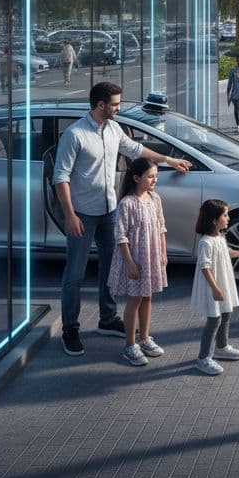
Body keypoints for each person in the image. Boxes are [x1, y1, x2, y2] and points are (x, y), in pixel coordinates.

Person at [52, 81, 192, 358]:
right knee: (75, 274)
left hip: (109, 210)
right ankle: (70, 329)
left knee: (111, 267)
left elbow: (136, 150)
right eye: (115, 104)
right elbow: (61, 177)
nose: (119, 107)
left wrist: (168, 160)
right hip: (82, 212)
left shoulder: (113, 129)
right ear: (101, 105)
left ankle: (107, 318)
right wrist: (69, 214)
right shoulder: (75, 134)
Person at [107, 158, 168, 367]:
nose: (154, 180)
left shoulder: (154, 199)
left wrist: (162, 251)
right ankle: (130, 344)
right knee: (135, 299)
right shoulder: (127, 203)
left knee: (147, 297)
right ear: (136, 178)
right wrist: (129, 262)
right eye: (150, 176)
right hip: (135, 257)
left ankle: (144, 337)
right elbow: (121, 235)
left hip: (150, 256)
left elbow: (161, 226)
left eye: (155, 176)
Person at [190, 198, 239, 375]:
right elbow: (205, 266)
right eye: (225, 215)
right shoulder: (205, 242)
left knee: (226, 313)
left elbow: (225, 252)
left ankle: (222, 347)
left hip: (223, 281)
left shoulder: (219, 237)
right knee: (214, 320)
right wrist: (215, 288)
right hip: (214, 286)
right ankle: (203, 358)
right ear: (214, 220)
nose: (228, 218)